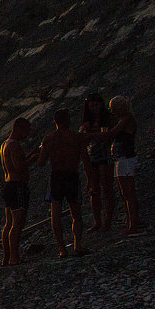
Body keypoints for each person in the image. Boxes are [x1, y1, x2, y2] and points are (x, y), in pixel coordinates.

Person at [37, 109, 90, 257]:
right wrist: (90, 179)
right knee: (76, 214)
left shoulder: (48, 139)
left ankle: (62, 249)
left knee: (56, 216)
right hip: (72, 176)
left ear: (55, 121)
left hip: (56, 177)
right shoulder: (77, 137)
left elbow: (41, 162)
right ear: (68, 120)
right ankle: (77, 245)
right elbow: (85, 159)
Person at [103, 95, 141, 235]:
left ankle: (133, 225)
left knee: (128, 193)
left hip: (125, 158)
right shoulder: (124, 119)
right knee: (127, 193)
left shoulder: (126, 120)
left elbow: (112, 133)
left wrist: (92, 136)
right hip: (122, 158)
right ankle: (133, 221)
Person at [79, 92, 116, 231]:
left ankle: (107, 220)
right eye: (92, 106)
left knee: (107, 188)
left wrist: (93, 133)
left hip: (105, 155)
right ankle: (97, 221)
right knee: (94, 190)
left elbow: (109, 135)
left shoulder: (109, 119)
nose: (95, 108)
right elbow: (83, 140)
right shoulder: (86, 124)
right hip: (92, 156)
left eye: (97, 105)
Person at [0, 117, 33, 265]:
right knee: (17, 223)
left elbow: (14, 164)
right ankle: (14, 257)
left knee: (8, 223)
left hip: (8, 185)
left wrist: (29, 155)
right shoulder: (14, 145)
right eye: (26, 131)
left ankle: (6, 257)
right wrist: (33, 159)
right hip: (17, 185)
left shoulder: (5, 144)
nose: (27, 134)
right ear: (19, 128)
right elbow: (19, 167)